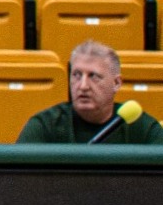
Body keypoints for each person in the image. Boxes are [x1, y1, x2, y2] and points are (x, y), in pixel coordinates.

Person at [18, 41, 163, 143]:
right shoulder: (46, 125)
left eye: (93, 76)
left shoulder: (142, 128)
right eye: (77, 75)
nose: (83, 86)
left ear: (117, 83)